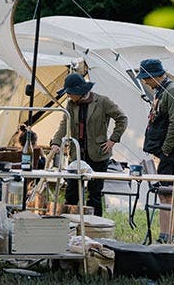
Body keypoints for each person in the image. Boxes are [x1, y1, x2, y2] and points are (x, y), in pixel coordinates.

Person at [49, 73, 128, 216]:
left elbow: (122, 119)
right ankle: (71, 224)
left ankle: (94, 227)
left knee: (95, 194)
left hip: (98, 154)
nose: (68, 96)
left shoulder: (103, 102)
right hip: (77, 154)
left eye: (70, 93)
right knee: (72, 192)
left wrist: (113, 140)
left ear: (79, 92)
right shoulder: (71, 105)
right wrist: (56, 142)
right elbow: (64, 124)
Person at [137, 58, 174, 242]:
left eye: (146, 78)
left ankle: (167, 236)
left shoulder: (173, 91)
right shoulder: (161, 91)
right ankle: (164, 235)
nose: (145, 82)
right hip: (163, 154)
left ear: (154, 76)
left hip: (170, 155)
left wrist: (166, 150)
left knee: (168, 196)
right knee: (163, 195)